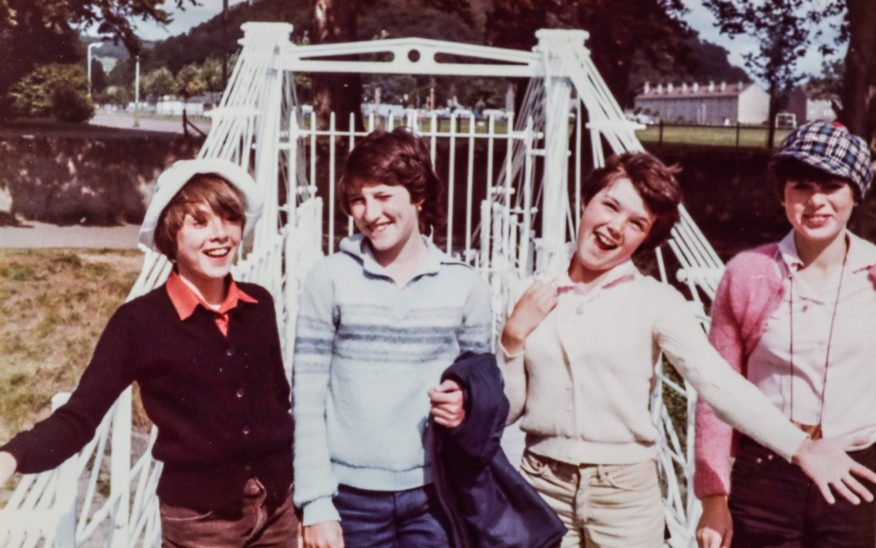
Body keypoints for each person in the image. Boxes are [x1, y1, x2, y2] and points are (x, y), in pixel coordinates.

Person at [498, 151, 876, 548]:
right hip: (540, 487)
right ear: (587, 201)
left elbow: (718, 384)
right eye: (609, 205)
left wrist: (799, 447)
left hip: (623, 497)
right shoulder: (526, 295)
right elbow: (506, 411)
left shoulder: (657, 303)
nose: (615, 227)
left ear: (648, 237)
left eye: (636, 223)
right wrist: (512, 339)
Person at [0, 159, 297, 547]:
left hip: (279, 511)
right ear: (171, 235)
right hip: (201, 524)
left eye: (230, 219)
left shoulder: (260, 304)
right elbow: (80, 415)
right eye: (200, 222)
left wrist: (301, 499)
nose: (220, 234)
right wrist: (12, 456)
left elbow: (280, 404)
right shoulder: (138, 322)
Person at [292, 128, 492, 548]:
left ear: (418, 195)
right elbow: (307, 400)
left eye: (384, 196)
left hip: (435, 496)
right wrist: (315, 502)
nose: (369, 213)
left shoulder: (465, 285)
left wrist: (466, 400)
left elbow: (485, 387)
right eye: (358, 200)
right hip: (348, 500)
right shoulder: (328, 278)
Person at [695, 121, 876, 548]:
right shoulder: (747, 274)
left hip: (859, 475)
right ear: (783, 195)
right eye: (801, 186)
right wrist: (714, 498)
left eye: (832, 186)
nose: (816, 201)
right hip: (765, 476)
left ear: (855, 194)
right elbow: (717, 394)